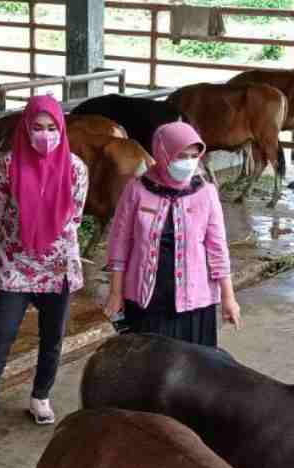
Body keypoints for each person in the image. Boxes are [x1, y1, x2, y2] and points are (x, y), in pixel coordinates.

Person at [0, 94, 87, 440]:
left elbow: (75, 215)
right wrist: (22, 236)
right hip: (15, 264)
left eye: (51, 127)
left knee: (53, 337)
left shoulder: (76, 168)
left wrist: (44, 232)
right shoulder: (8, 165)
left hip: (57, 265)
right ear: (26, 128)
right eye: (38, 127)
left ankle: (40, 397)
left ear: (61, 129)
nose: (45, 134)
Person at [102, 121, 241, 345]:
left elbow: (217, 249)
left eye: (193, 156)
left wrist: (228, 297)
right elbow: (120, 245)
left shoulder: (206, 193)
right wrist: (116, 293)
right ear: (163, 153)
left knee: (193, 363)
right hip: (147, 301)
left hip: (194, 303)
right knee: (149, 362)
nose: (188, 163)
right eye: (181, 156)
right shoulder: (137, 190)